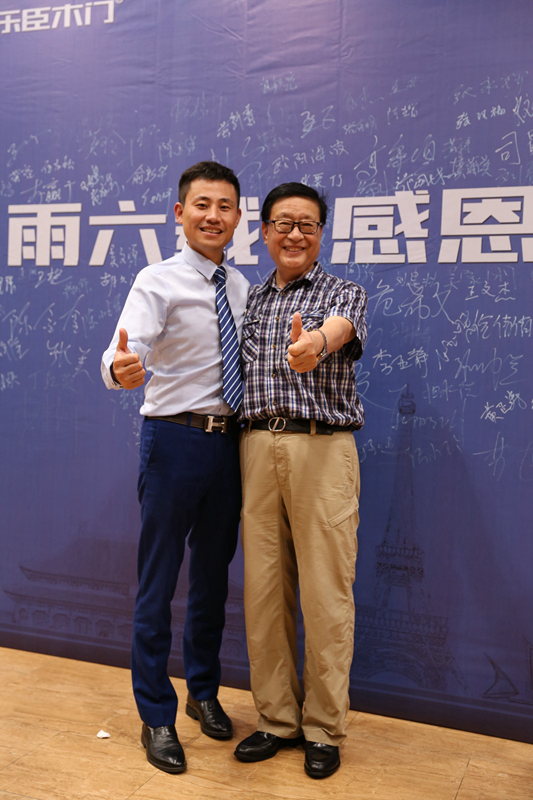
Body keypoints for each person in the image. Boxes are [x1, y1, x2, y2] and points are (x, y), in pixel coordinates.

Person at [101, 161, 249, 774]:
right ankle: (156, 714)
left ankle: (203, 693)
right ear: (180, 213)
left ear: (239, 217)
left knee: (213, 579)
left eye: (225, 206)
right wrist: (120, 370)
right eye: (202, 205)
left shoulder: (242, 286)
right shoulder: (156, 280)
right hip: (174, 439)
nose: (213, 216)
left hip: (231, 445)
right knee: (159, 581)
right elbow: (121, 351)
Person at [234, 182, 367, 779]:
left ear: (321, 234)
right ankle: (276, 719)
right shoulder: (249, 301)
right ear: (264, 232)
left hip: (323, 447)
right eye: (283, 223)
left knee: (325, 594)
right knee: (264, 592)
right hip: (255, 446)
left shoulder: (344, 292)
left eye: (307, 225)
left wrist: (314, 343)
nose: (294, 234)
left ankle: (323, 728)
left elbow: (337, 330)